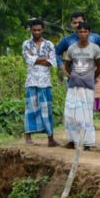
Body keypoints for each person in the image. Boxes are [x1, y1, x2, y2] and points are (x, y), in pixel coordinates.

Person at [62, 22, 100, 150]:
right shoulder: (72, 48)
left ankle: (87, 142)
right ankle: (72, 140)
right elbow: (67, 65)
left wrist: (91, 77)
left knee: (86, 113)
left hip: (88, 86)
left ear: (89, 33)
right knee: (70, 113)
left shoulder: (95, 48)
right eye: (80, 32)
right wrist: (73, 76)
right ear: (77, 33)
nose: (83, 34)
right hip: (73, 85)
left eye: (85, 31)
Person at [22, 19, 59, 147]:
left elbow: (52, 61)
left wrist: (36, 58)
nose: (37, 32)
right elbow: (28, 59)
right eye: (34, 30)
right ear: (31, 30)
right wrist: (43, 58)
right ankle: (28, 137)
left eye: (39, 30)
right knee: (30, 109)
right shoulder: (26, 44)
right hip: (31, 81)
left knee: (46, 109)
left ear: (43, 30)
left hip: (45, 81)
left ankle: (51, 138)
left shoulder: (49, 44)